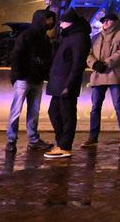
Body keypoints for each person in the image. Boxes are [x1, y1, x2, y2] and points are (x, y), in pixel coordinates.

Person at [6, 8, 57, 153]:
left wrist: (43, 74)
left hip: (36, 79)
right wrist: (18, 76)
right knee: (17, 111)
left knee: (33, 111)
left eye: (52, 20)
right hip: (25, 79)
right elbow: (16, 57)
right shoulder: (27, 36)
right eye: (48, 19)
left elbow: (46, 59)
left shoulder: (44, 39)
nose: (51, 22)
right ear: (41, 20)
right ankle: (12, 140)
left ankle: (32, 140)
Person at [43, 9, 91, 160]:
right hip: (60, 83)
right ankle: (62, 144)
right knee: (54, 112)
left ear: (70, 22)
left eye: (63, 22)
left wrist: (69, 85)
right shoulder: (71, 36)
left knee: (66, 115)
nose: (60, 25)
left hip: (66, 84)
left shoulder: (79, 37)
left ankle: (65, 146)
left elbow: (78, 64)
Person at [83, 11, 120, 147]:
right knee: (95, 107)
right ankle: (93, 137)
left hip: (114, 74)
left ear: (115, 22)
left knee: (118, 105)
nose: (105, 23)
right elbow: (88, 53)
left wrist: (106, 64)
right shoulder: (96, 37)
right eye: (104, 21)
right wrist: (94, 64)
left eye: (109, 20)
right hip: (98, 75)